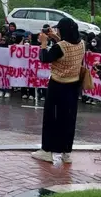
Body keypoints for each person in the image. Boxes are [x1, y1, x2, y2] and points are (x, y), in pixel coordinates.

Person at [31, 17, 85, 164]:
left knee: (51, 118)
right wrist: (55, 37)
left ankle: (47, 151)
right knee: (68, 119)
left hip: (58, 85)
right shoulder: (81, 44)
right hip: (73, 86)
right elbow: (67, 45)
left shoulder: (59, 47)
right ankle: (66, 152)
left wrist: (43, 43)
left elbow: (45, 58)